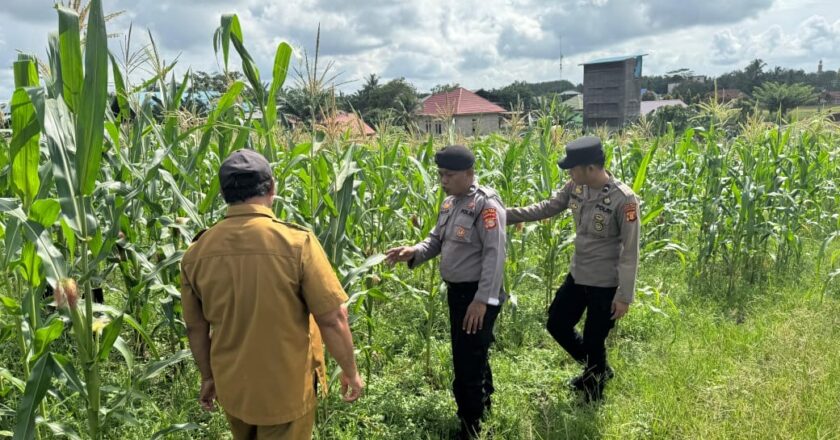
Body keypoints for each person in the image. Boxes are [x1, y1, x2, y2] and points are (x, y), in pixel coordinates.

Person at [180, 149, 363, 439]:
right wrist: (351, 372)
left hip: (234, 388)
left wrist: (208, 376)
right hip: (286, 391)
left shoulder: (196, 252)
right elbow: (333, 318)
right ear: (272, 188)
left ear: (225, 193)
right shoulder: (296, 243)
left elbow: (196, 327)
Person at [506, 136, 640, 402]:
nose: (569, 172)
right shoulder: (576, 187)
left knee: (594, 339)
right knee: (557, 323)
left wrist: (624, 296)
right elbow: (547, 208)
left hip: (605, 283)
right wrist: (506, 214)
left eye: (573, 168)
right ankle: (598, 369)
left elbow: (630, 251)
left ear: (590, 168)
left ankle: (593, 393)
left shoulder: (624, 200)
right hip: (579, 275)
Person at [385, 145, 506, 439]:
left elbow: (495, 256)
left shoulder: (486, 206)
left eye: (448, 175)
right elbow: (436, 239)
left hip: (476, 296)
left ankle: (470, 427)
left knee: (466, 364)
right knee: (473, 355)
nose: (442, 180)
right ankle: (483, 407)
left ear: (469, 173)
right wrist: (414, 251)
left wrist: (481, 301)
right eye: (440, 174)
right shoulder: (451, 203)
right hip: (458, 295)